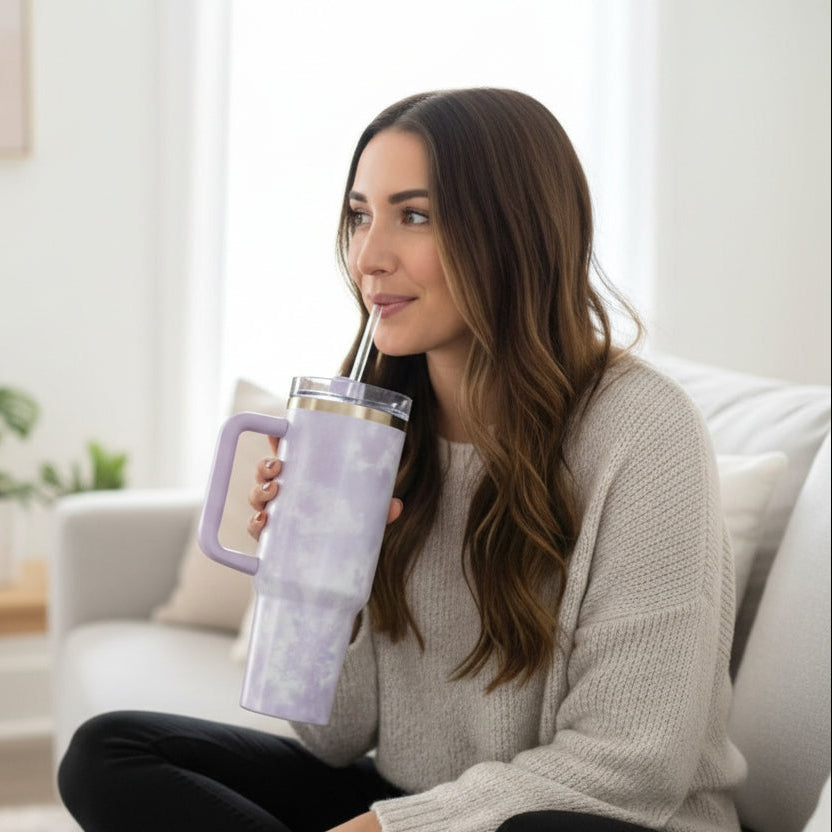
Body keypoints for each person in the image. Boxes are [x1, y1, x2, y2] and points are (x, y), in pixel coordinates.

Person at [58, 88, 745, 832]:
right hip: (421, 798)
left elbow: (631, 766)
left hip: (592, 818)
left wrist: (390, 827)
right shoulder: (378, 426)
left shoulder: (645, 431)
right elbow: (333, 738)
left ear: (513, 233)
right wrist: (320, 586)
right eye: (360, 216)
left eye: (413, 216)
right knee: (111, 753)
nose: (367, 257)